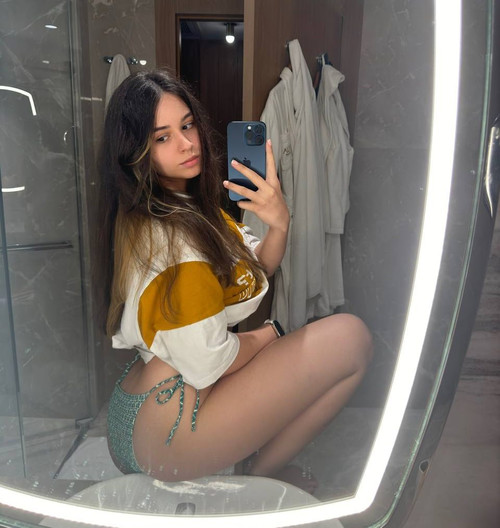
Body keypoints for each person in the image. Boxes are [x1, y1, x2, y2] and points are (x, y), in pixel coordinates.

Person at [98, 69, 372, 492]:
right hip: (169, 432)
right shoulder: (174, 244)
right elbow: (212, 362)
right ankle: (257, 476)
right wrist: (270, 334)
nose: (187, 143)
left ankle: (247, 465)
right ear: (135, 152)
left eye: (187, 125)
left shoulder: (176, 208)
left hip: (148, 404)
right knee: (351, 339)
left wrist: (279, 224)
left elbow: (258, 268)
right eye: (163, 137)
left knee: (324, 344)